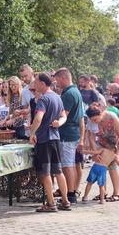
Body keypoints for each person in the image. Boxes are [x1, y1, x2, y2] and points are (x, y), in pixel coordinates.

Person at [29, 72, 70, 212]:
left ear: (42, 83)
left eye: (35, 82)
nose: (34, 85)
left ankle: (51, 203)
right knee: (58, 171)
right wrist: (59, 123)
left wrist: (32, 133)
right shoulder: (57, 98)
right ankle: (65, 201)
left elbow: (38, 118)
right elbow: (64, 116)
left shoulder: (43, 99)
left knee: (45, 173)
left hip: (44, 140)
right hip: (55, 139)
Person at [53, 68, 85, 203]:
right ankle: (70, 192)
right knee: (71, 164)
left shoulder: (68, 94)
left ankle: (70, 194)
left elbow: (63, 115)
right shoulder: (76, 91)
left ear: (64, 78)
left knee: (67, 165)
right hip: (74, 133)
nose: (56, 82)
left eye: (57, 79)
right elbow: (81, 118)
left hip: (67, 134)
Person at [86, 105, 119, 202]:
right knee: (102, 167)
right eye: (93, 120)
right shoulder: (91, 120)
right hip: (102, 144)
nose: (95, 122)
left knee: (112, 167)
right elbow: (91, 136)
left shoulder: (111, 117)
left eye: (96, 119)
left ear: (101, 113)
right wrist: (95, 153)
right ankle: (103, 193)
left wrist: (116, 154)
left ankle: (116, 194)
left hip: (116, 144)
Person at [81, 133, 119, 204]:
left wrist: (85, 152)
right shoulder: (114, 155)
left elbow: (94, 152)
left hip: (96, 167)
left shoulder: (103, 150)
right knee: (101, 185)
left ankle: (85, 197)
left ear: (106, 144)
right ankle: (102, 200)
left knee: (89, 183)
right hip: (103, 170)